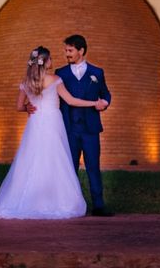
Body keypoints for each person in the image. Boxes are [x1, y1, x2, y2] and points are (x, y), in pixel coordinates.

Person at [0, 46, 106, 219]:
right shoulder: (55, 79)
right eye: (50, 58)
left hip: (35, 124)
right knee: (54, 159)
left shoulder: (27, 82)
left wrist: (28, 107)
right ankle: (55, 200)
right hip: (52, 123)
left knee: (32, 159)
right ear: (45, 62)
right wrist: (94, 103)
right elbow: (72, 101)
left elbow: (19, 107)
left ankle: (28, 200)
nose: (53, 61)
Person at [55, 34, 112, 216]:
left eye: (70, 50)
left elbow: (106, 94)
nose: (67, 54)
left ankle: (98, 205)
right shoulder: (60, 73)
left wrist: (105, 102)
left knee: (93, 167)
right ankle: (70, 205)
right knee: (69, 168)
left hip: (90, 129)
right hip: (69, 129)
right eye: (66, 50)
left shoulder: (97, 72)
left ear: (81, 50)